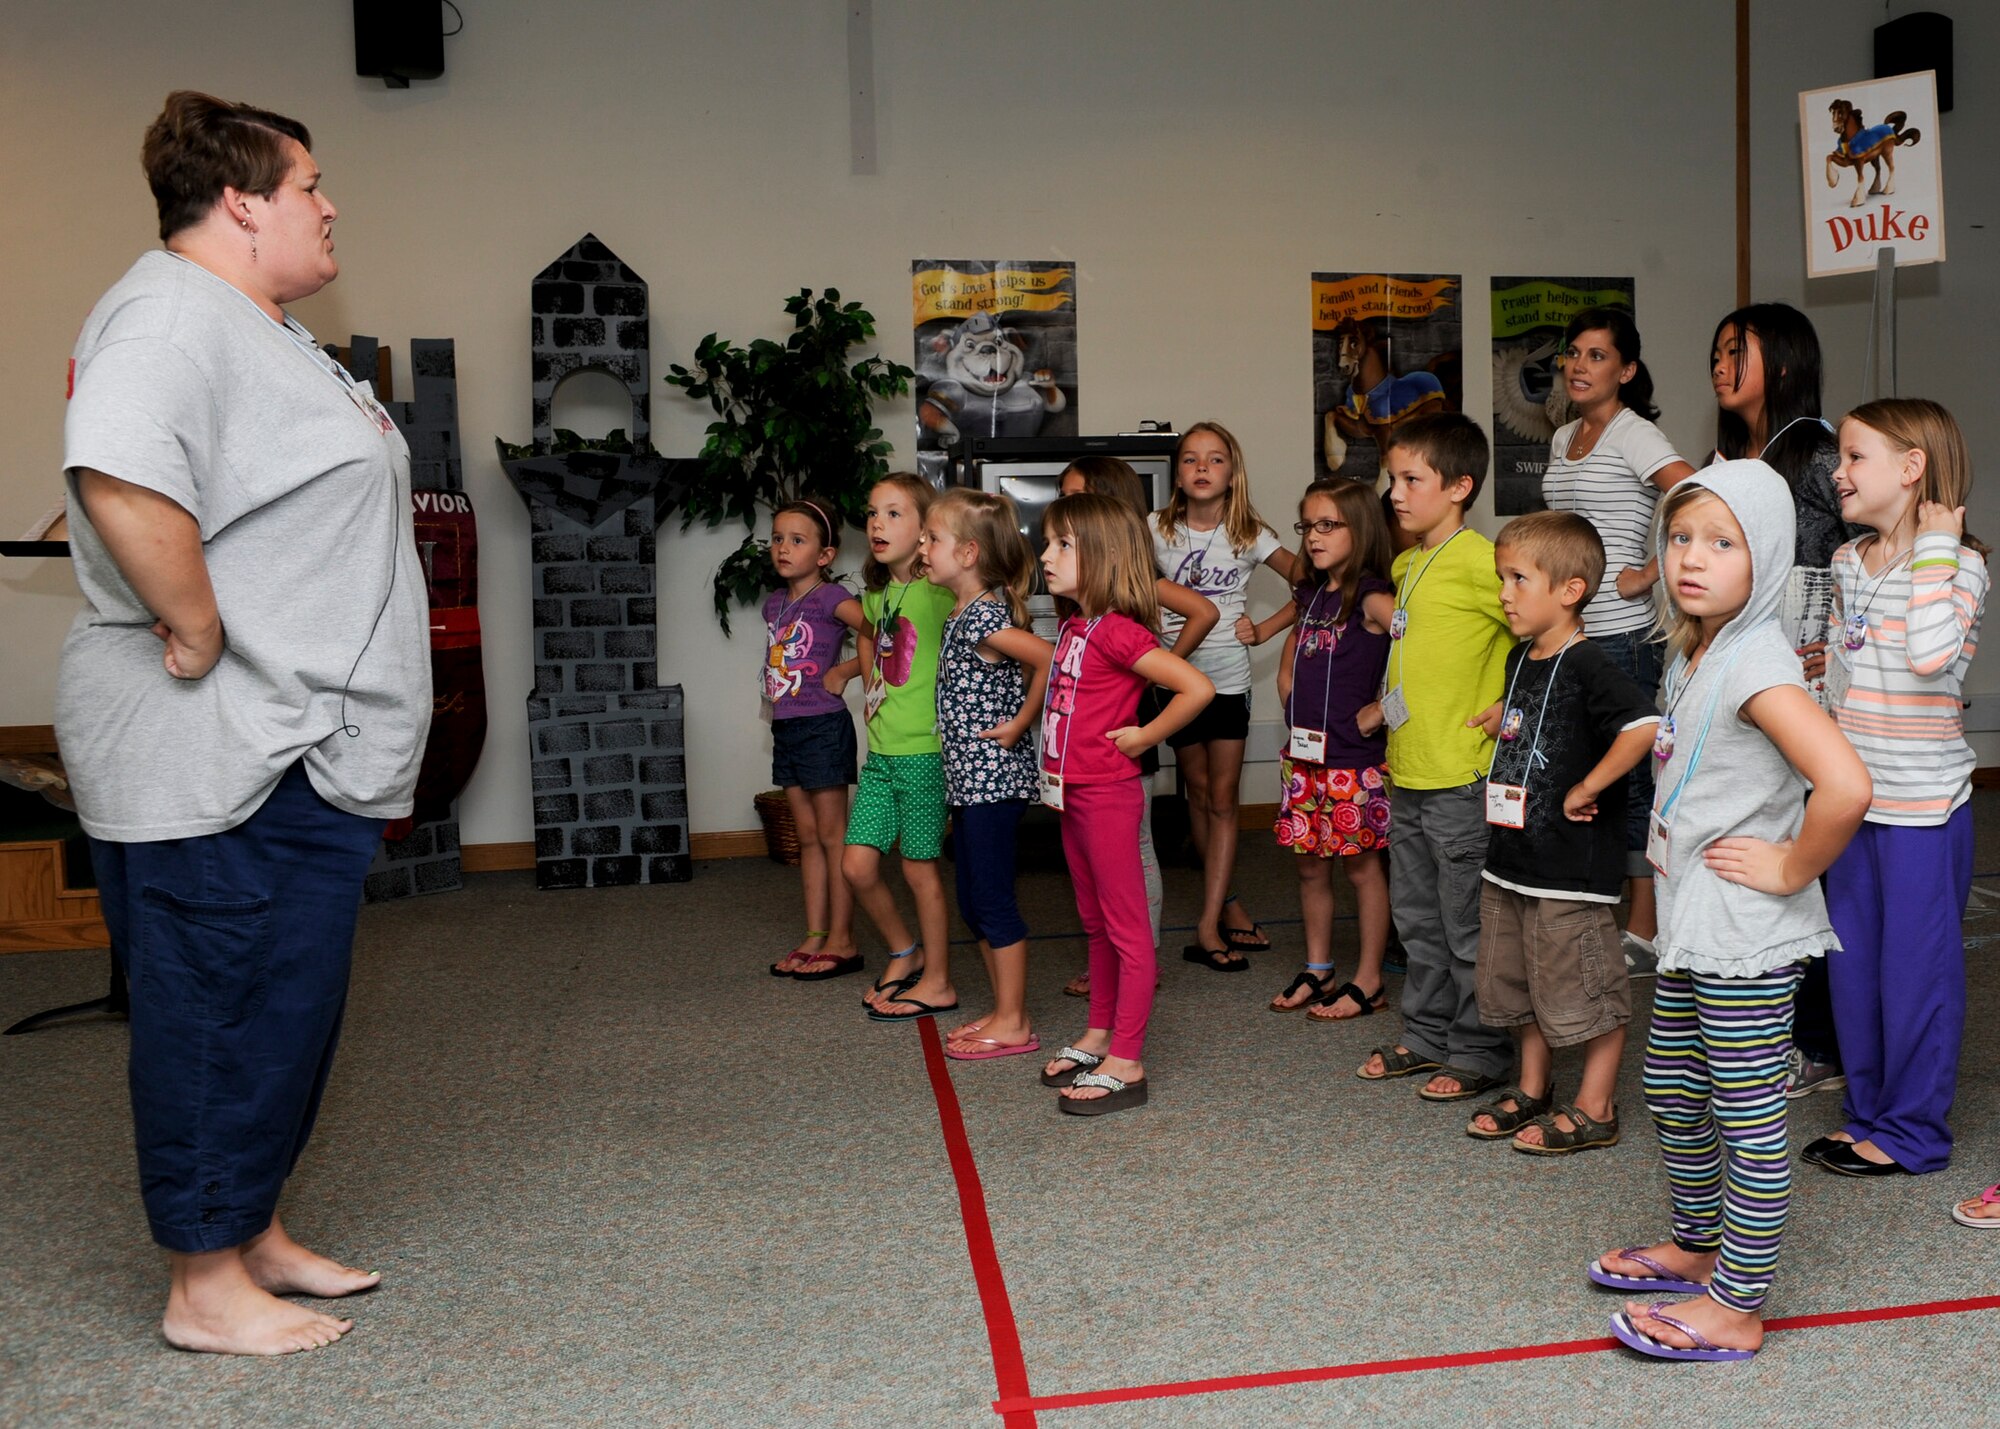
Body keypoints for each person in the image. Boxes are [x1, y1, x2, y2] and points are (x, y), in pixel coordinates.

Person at [57, 91, 431, 1354]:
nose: (329, 207)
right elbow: (116, 468)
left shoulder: (257, 325)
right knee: (217, 1007)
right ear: (242, 201)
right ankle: (202, 1286)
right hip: (221, 751)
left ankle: (250, 1228)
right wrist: (199, 624)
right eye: (310, 183)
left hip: (293, 753)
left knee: (285, 1008)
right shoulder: (169, 311)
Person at [1596, 463, 1870, 1363]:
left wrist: (1792, 864)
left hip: (1745, 930)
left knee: (1747, 1116)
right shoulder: (1696, 647)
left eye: (1722, 543)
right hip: (1694, 920)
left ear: (1771, 556)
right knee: (1674, 1085)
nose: (1692, 559)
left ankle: (1739, 1302)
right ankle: (1698, 1238)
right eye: (1680, 538)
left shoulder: (1756, 660)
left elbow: (1844, 783)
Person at [1806, 400, 1987, 1178]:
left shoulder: (1962, 564)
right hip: (1852, 800)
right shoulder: (1850, 563)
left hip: (1922, 809)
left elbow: (1928, 654)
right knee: (1855, 969)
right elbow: (1843, 674)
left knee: (1917, 976)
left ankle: (1914, 1131)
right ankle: (1870, 1113)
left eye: (1854, 457)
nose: (1837, 472)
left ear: (1912, 468)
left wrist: (1939, 543)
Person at [1464, 512, 1658, 1154]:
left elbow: (1641, 727)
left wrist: (1590, 785)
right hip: (1514, 855)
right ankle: (1533, 1085)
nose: (1504, 593)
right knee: (1518, 980)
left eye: (1519, 579)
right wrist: (1504, 717)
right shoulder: (1525, 656)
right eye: (1502, 578)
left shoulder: (1591, 662)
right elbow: (1542, 721)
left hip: (1571, 866)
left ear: (1569, 590)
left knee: (1582, 984)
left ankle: (1596, 1105)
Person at [1710, 301, 1862, 1100]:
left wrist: (1832, 636)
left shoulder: (1817, 451)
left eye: (1740, 350)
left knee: (1808, 861)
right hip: (1746, 678)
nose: (1722, 362)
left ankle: (1822, 1041)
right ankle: (1780, 1029)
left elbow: (1865, 545)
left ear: (1787, 358)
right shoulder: (1735, 452)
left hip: (1804, 685)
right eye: (1718, 350)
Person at [1353, 414, 1514, 1102]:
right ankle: (1425, 1035)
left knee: (1465, 922)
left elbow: (1548, 626)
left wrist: (1514, 702)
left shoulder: (1484, 560)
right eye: (1393, 477)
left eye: (1412, 479)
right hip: (1410, 768)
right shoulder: (1408, 562)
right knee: (1416, 918)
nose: (1395, 491)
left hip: (1460, 775)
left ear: (1459, 486)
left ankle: (1479, 1047)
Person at [1036, 494, 1213, 1114]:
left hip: (1108, 796)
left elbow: (1197, 686)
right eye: (1048, 543)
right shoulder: (1074, 624)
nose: (1046, 556)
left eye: (1063, 545)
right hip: (1072, 798)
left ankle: (1128, 1058)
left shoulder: (1117, 629)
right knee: (1094, 922)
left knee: (1128, 930)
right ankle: (1099, 1031)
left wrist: (1144, 735)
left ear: (1104, 555)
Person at [1540, 309, 1694, 976]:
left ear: (1625, 371)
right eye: (1573, 353)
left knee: (1634, 786)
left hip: (1625, 635)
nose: (1579, 365)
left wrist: (1651, 570)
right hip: (1572, 638)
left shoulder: (1635, 434)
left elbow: (1697, 493)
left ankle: (1644, 925)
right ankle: (1599, 910)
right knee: (1584, 778)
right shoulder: (1564, 437)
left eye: (1597, 356)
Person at [1057, 457, 1218, 1000]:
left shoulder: (1124, 612)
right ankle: (1125, 965)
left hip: (1124, 744)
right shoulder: (1080, 617)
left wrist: (1154, 672)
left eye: (1077, 498)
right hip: (1087, 760)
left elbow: (1200, 620)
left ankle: (1139, 961)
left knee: (1135, 853)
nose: (1051, 550)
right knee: (1104, 885)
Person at [1150, 423, 1302, 971]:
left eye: (1214, 460)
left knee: (1222, 798)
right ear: (1178, 473)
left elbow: (1309, 581)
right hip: (1174, 680)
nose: (1201, 468)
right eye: (1190, 460)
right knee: (1194, 791)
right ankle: (1228, 901)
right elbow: (1123, 583)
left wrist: (1266, 629)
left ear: (1231, 472)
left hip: (1229, 680)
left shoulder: (1248, 533)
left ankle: (1209, 922)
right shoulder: (1154, 529)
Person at [919, 489, 1053, 1059]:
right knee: (973, 898)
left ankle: (1015, 1020)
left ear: (969, 553)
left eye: (932, 539)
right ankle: (1003, 1008)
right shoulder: (962, 613)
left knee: (992, 898)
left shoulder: (986, 617)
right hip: (969, 783)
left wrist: (1020, 722)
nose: (922, 548)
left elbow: (1046, 656)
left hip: (993, 783)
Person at [1264, 479, 1395, 1021]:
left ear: (1358, 528)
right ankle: (1319, 969)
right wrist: (1287, 683)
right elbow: (1296, 641)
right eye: (1307, 526)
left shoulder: (1372, 595)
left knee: (1363, 871)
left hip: (1352, 763)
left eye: (1327, 526)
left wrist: (1387, 708)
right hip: (1305, 759)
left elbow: (1430, 654)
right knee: (1310, 868)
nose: (1313, 538)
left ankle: (1369, 979)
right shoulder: (1312, 593)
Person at [830, 474, 960, 1019]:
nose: (877, 523)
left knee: (918, 869)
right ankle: (906, 952)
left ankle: (939, 979)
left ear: (926, 530)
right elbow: (871, 633)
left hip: (925, 756)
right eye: (872, 514)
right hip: (882, 755)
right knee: (857, 866)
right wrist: (854, 673)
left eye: (894, 513)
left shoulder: (940, 592)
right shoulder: (878, 593)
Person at [761, 499, 868, 980]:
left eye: (797, 540)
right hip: (788, 728)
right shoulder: (774, 603)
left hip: (824, 727)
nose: (783, 548)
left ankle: (844, 940)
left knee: (832, 837)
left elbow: (882, 633)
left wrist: (845, 670)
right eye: (778, 538)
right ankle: (816, 933)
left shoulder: (830, 599)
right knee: (806, 838)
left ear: (825, 555)